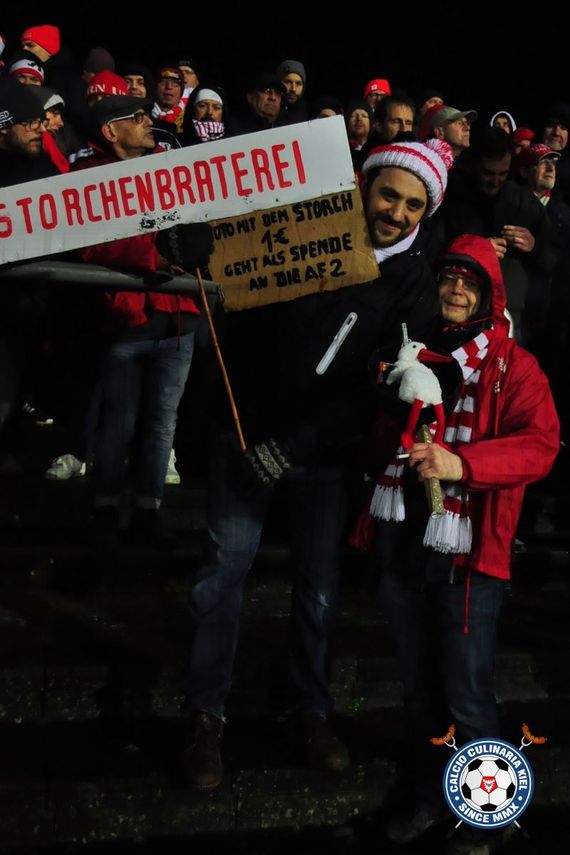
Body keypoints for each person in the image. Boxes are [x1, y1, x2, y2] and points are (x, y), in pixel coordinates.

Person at [181, 139, 453, 792]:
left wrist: (297, 446)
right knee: (222, 575)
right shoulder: (302, 230)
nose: (397, 212)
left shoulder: (415, 281)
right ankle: (203, 718)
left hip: (323, 458)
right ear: (364, 185)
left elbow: (378, 388)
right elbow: (236, 294)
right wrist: (192, 250)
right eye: (389, 194)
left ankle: (310, 711)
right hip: (246, 435)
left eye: (414, 205)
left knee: (319, 590)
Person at [362, 234, 559, 854]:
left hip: (470, 555)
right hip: (406, 544)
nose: (455, 289)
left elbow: (542, 445)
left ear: (489, 295)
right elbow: (383, 439)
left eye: (469, 283)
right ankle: (429, 796)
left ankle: (488, 817)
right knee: (419, 694)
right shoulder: (414, 352)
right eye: (448, 278)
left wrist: (462, 464)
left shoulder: (514, 365)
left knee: (467, 697)